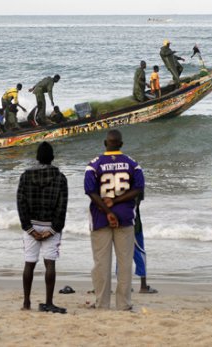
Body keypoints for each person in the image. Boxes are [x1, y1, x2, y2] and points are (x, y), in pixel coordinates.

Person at [85, 129, 144, 310]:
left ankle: (102, 303)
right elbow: (138, 189)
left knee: (101, 263)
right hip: (125, 218)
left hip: (100, 218)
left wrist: (106, 210)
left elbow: (90, 191)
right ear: (121, 144)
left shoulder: (94, 165)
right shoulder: (132, 164)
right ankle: (124, 304)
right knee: (125, 262)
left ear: (105, 143)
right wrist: (117, 202)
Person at [17, 142, 68, 314]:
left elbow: (21, 204)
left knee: (29, 263)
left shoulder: (25, 176)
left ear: (37, 158)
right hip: (50, 226)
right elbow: (62, 207)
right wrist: (53, 230)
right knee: (50, 263)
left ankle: (26, 302)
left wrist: (29, 228)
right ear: (52, 158)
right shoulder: (60, 178)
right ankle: (48, 302)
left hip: (31, 224)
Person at [132, 193, 157, 293]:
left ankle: (123, 285)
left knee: (122, 253)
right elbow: (136, 203)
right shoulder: (136, 181)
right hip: (134, 224)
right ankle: (143, 285)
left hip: (122, 222)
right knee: (140, 253)